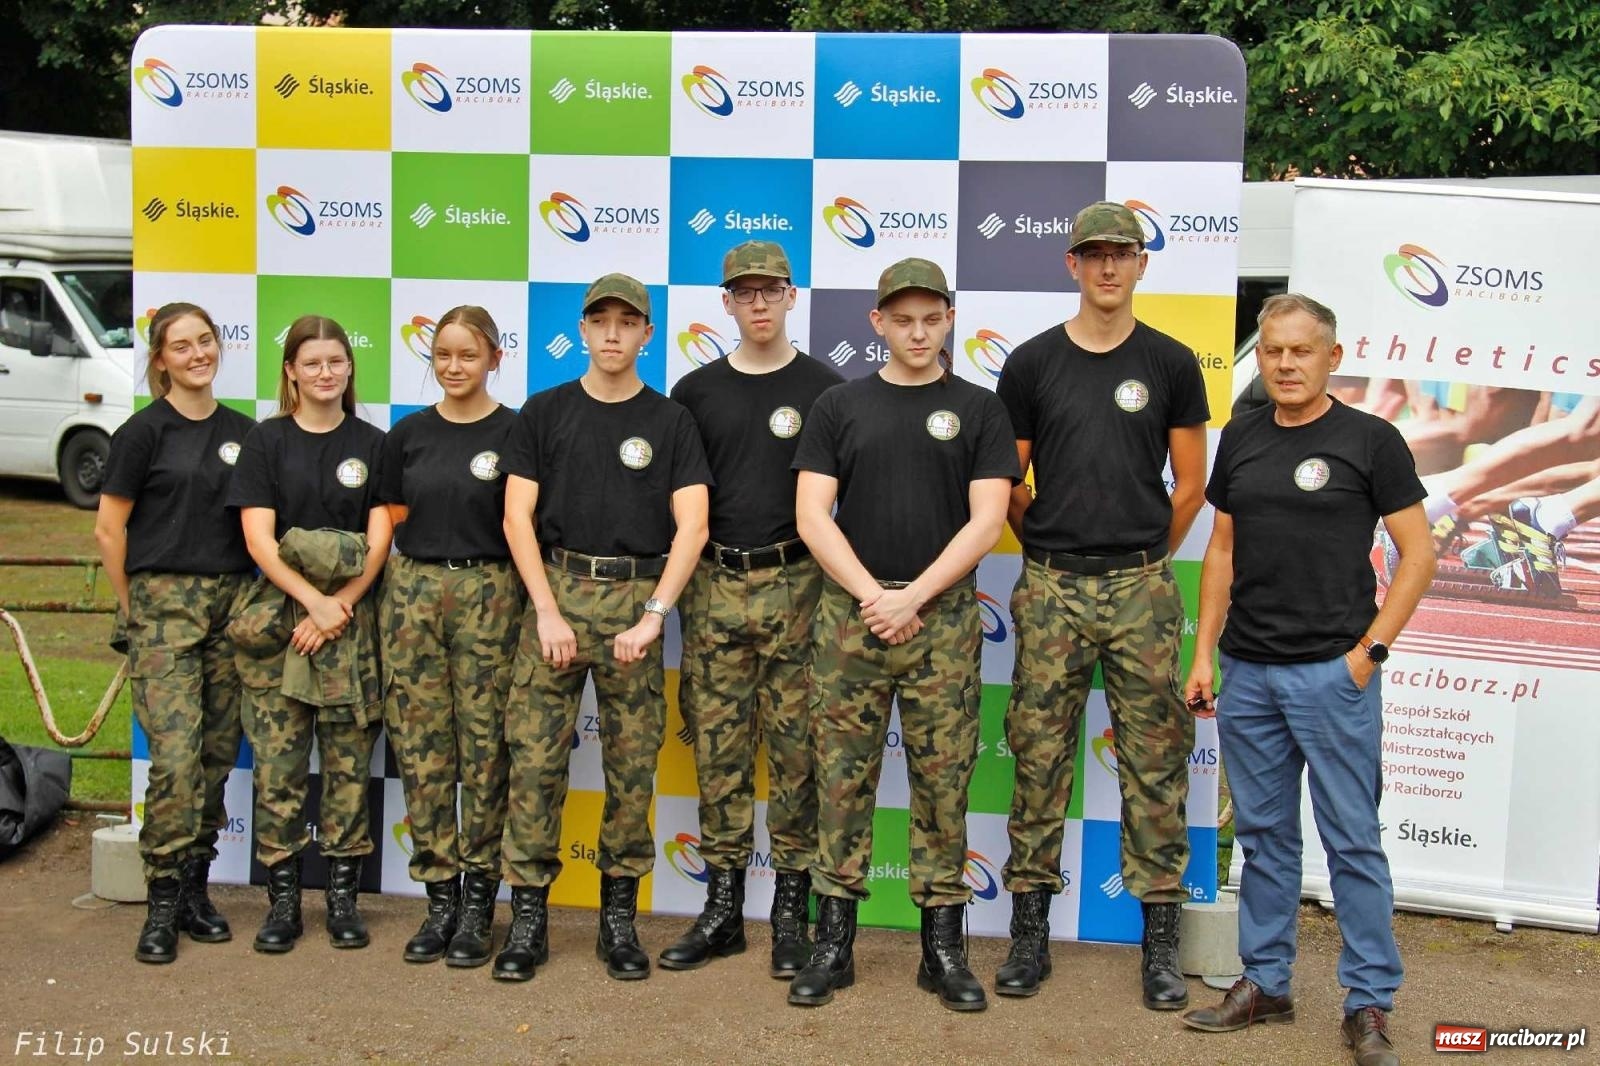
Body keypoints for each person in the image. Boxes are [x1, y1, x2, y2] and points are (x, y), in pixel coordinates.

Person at [1181, 293, 1434, 1066]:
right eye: (1273, 351)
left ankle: (1369, 1002)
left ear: (1332, 356)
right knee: (1263, 837)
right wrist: (1205, 655)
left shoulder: (1371, 440)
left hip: (1334, 674)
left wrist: (1370, 655)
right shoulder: (1244, 437)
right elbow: (1221, 550)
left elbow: (1418, 556)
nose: (1285, 364)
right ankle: (1266, 983)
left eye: (1301, 351)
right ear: (1259, 357)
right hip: (1250, 674)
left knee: (1353, 841)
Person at [993, 201, 1210, 1007]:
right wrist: (1044, 542)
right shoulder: (1031, 363)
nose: (1109, 268)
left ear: (1143, 264)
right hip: (1050, 584)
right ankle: (1027, 936)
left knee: (1155, 763)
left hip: (1142, 589)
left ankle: (1158, 945)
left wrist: (1149, 553)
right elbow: (1008, 485)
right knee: (1040, 757)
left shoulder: (1172, 362)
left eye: (1123, 253)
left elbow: (1190, 487)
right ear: (1072, 265)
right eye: (1095, 254)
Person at [788, 258, 1018, 1012]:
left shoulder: (981, 410)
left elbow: (988, 519)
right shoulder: (838, 405)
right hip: (850, 620)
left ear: (950, 319)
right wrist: (871, 596)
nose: (918, 332)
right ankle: (833, 946)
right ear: (877, 323)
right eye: (902, 319)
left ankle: (942, 949)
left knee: (942, 787)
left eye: (932, 317)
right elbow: (812, 513)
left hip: (942, 620)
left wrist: (913, 595)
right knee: (841, 783)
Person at [493, 274, 712, 982]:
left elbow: (693, 526)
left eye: (628, 322)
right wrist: (547, 609)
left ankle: (619, 920)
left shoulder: (671, 421)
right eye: (601, 321)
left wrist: (654, 615)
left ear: (648, 334)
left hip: (634, 604)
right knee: (533, 766)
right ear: (582, 331)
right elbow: (515, 517)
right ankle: (527, 920)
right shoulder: (546, 410)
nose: (613, 334)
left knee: (630, 770)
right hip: (555, 595)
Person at [660, 241, 843, 976]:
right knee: (721, 752)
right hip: (713, 587)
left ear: (793, 297)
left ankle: (790, 914)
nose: (759, 303)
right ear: (727, 302)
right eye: (745, 292)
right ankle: (724, 909)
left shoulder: (828, 390)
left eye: (771, 290)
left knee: (798, 753)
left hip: (798, 586)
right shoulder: (694, 394)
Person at [95, 302, 256, 964]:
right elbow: (110, 531)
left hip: (229, 606)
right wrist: (137, 608)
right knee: (175, 759)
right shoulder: (142, 433)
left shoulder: (245, 433)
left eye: (206, 341)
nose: (197, 354)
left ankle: (195, 889)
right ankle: (160, 902)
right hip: (161, 604)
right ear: (159, 360)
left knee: (216, 757)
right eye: (181, 346)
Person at [227, 315, 390, 954]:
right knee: (279, 767)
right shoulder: (266, 442)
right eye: (312, 363)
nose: (326, 373)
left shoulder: (374, 444)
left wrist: (339, 605)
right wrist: (312, 603)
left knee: (349, 764)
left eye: (337, 362)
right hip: (280, 622)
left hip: (348, 626)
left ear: (350, 369)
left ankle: (343, 901)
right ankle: (285, 903)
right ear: (291, 371)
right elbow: (258, 540)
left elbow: (379, 541)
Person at [377, 306, 522, 967]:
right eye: (443, 355)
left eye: (469, 355)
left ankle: (477, 905)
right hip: (412, 597)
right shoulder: (406, 434)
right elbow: (387, 520)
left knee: (486, 750)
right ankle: (439, 897)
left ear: (495, 358)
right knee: (423, 748)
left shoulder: (518, 433)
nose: (455, 367)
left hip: (491, 596)